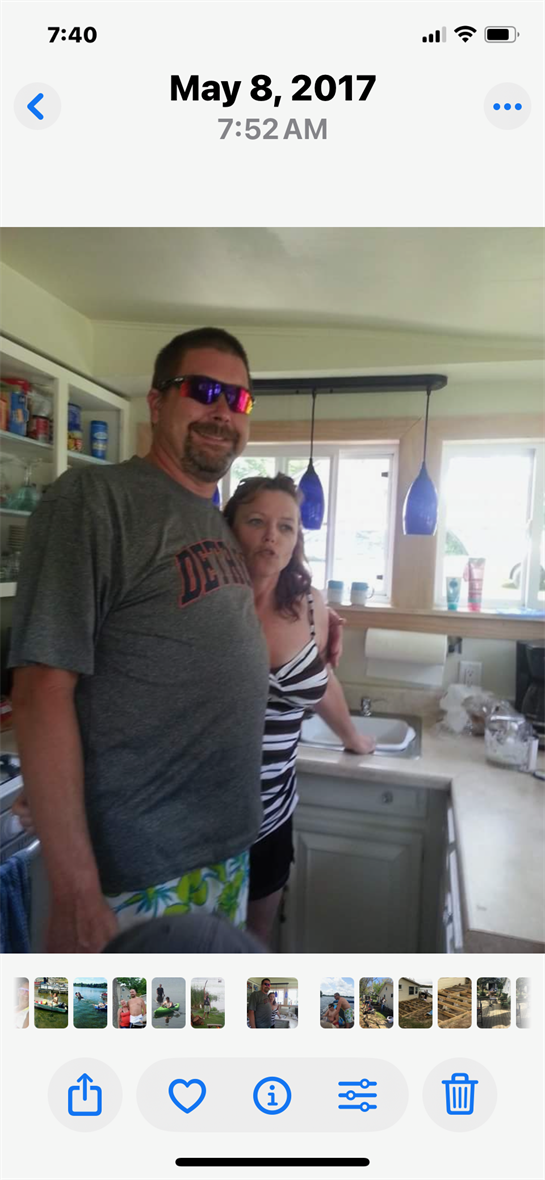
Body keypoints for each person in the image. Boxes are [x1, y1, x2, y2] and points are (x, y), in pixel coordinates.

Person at [10, 327, 343, 952]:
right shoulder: (94, 500)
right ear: (157, 401)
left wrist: (318, 616)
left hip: (225, 850)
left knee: (210, 1015)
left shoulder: (214, 522)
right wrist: (75, 889)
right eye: (203, 391)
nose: (222, 411)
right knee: (109, 1018)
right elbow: (40, 691)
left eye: (238, 399)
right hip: (134, 871)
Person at [224, 474, 375, 943]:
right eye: (256, 521)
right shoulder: (203, 603)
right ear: (230, 528)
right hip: (204, 816)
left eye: (286, 526)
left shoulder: (311, 606)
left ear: (296, 541)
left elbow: (320, 679)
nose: (271, 536)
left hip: (273, 812)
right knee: (199, 950)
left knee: (255, 940)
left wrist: (352, 737)